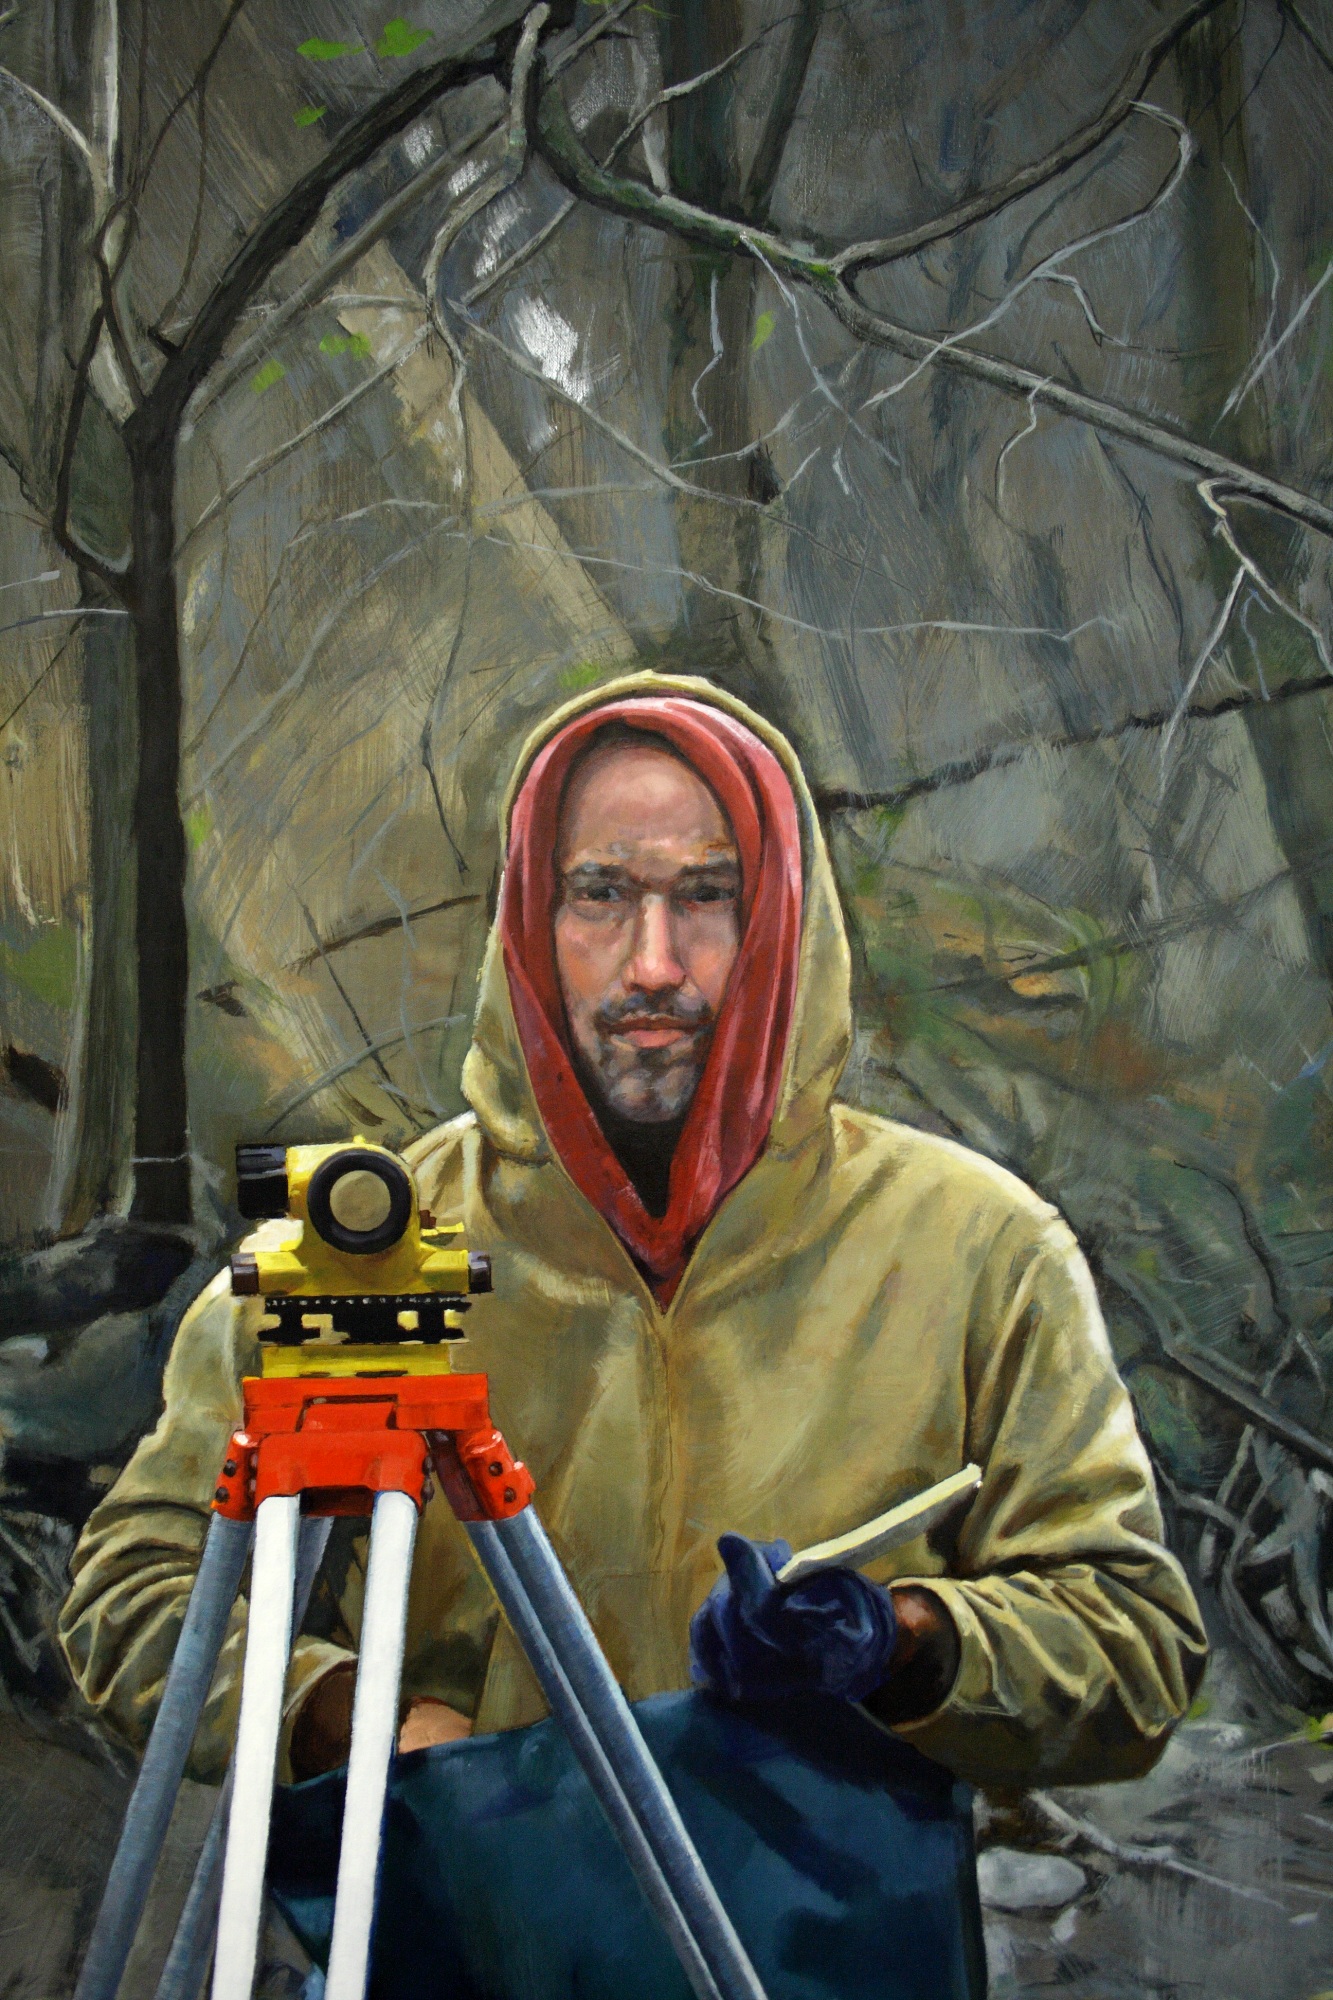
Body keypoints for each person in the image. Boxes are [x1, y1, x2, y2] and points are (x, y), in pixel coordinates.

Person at [59, 672, 1207, 1794]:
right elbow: (133, 1594)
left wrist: (905, 1641)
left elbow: (1135, 1644)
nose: (653, 964)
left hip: (827, 1911)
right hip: (467, 1900)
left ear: (778, 921)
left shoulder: (977, 1247)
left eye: (706, 894)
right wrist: (348, 1718)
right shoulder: (371, 1247)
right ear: (529, 918)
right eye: (600, 892)